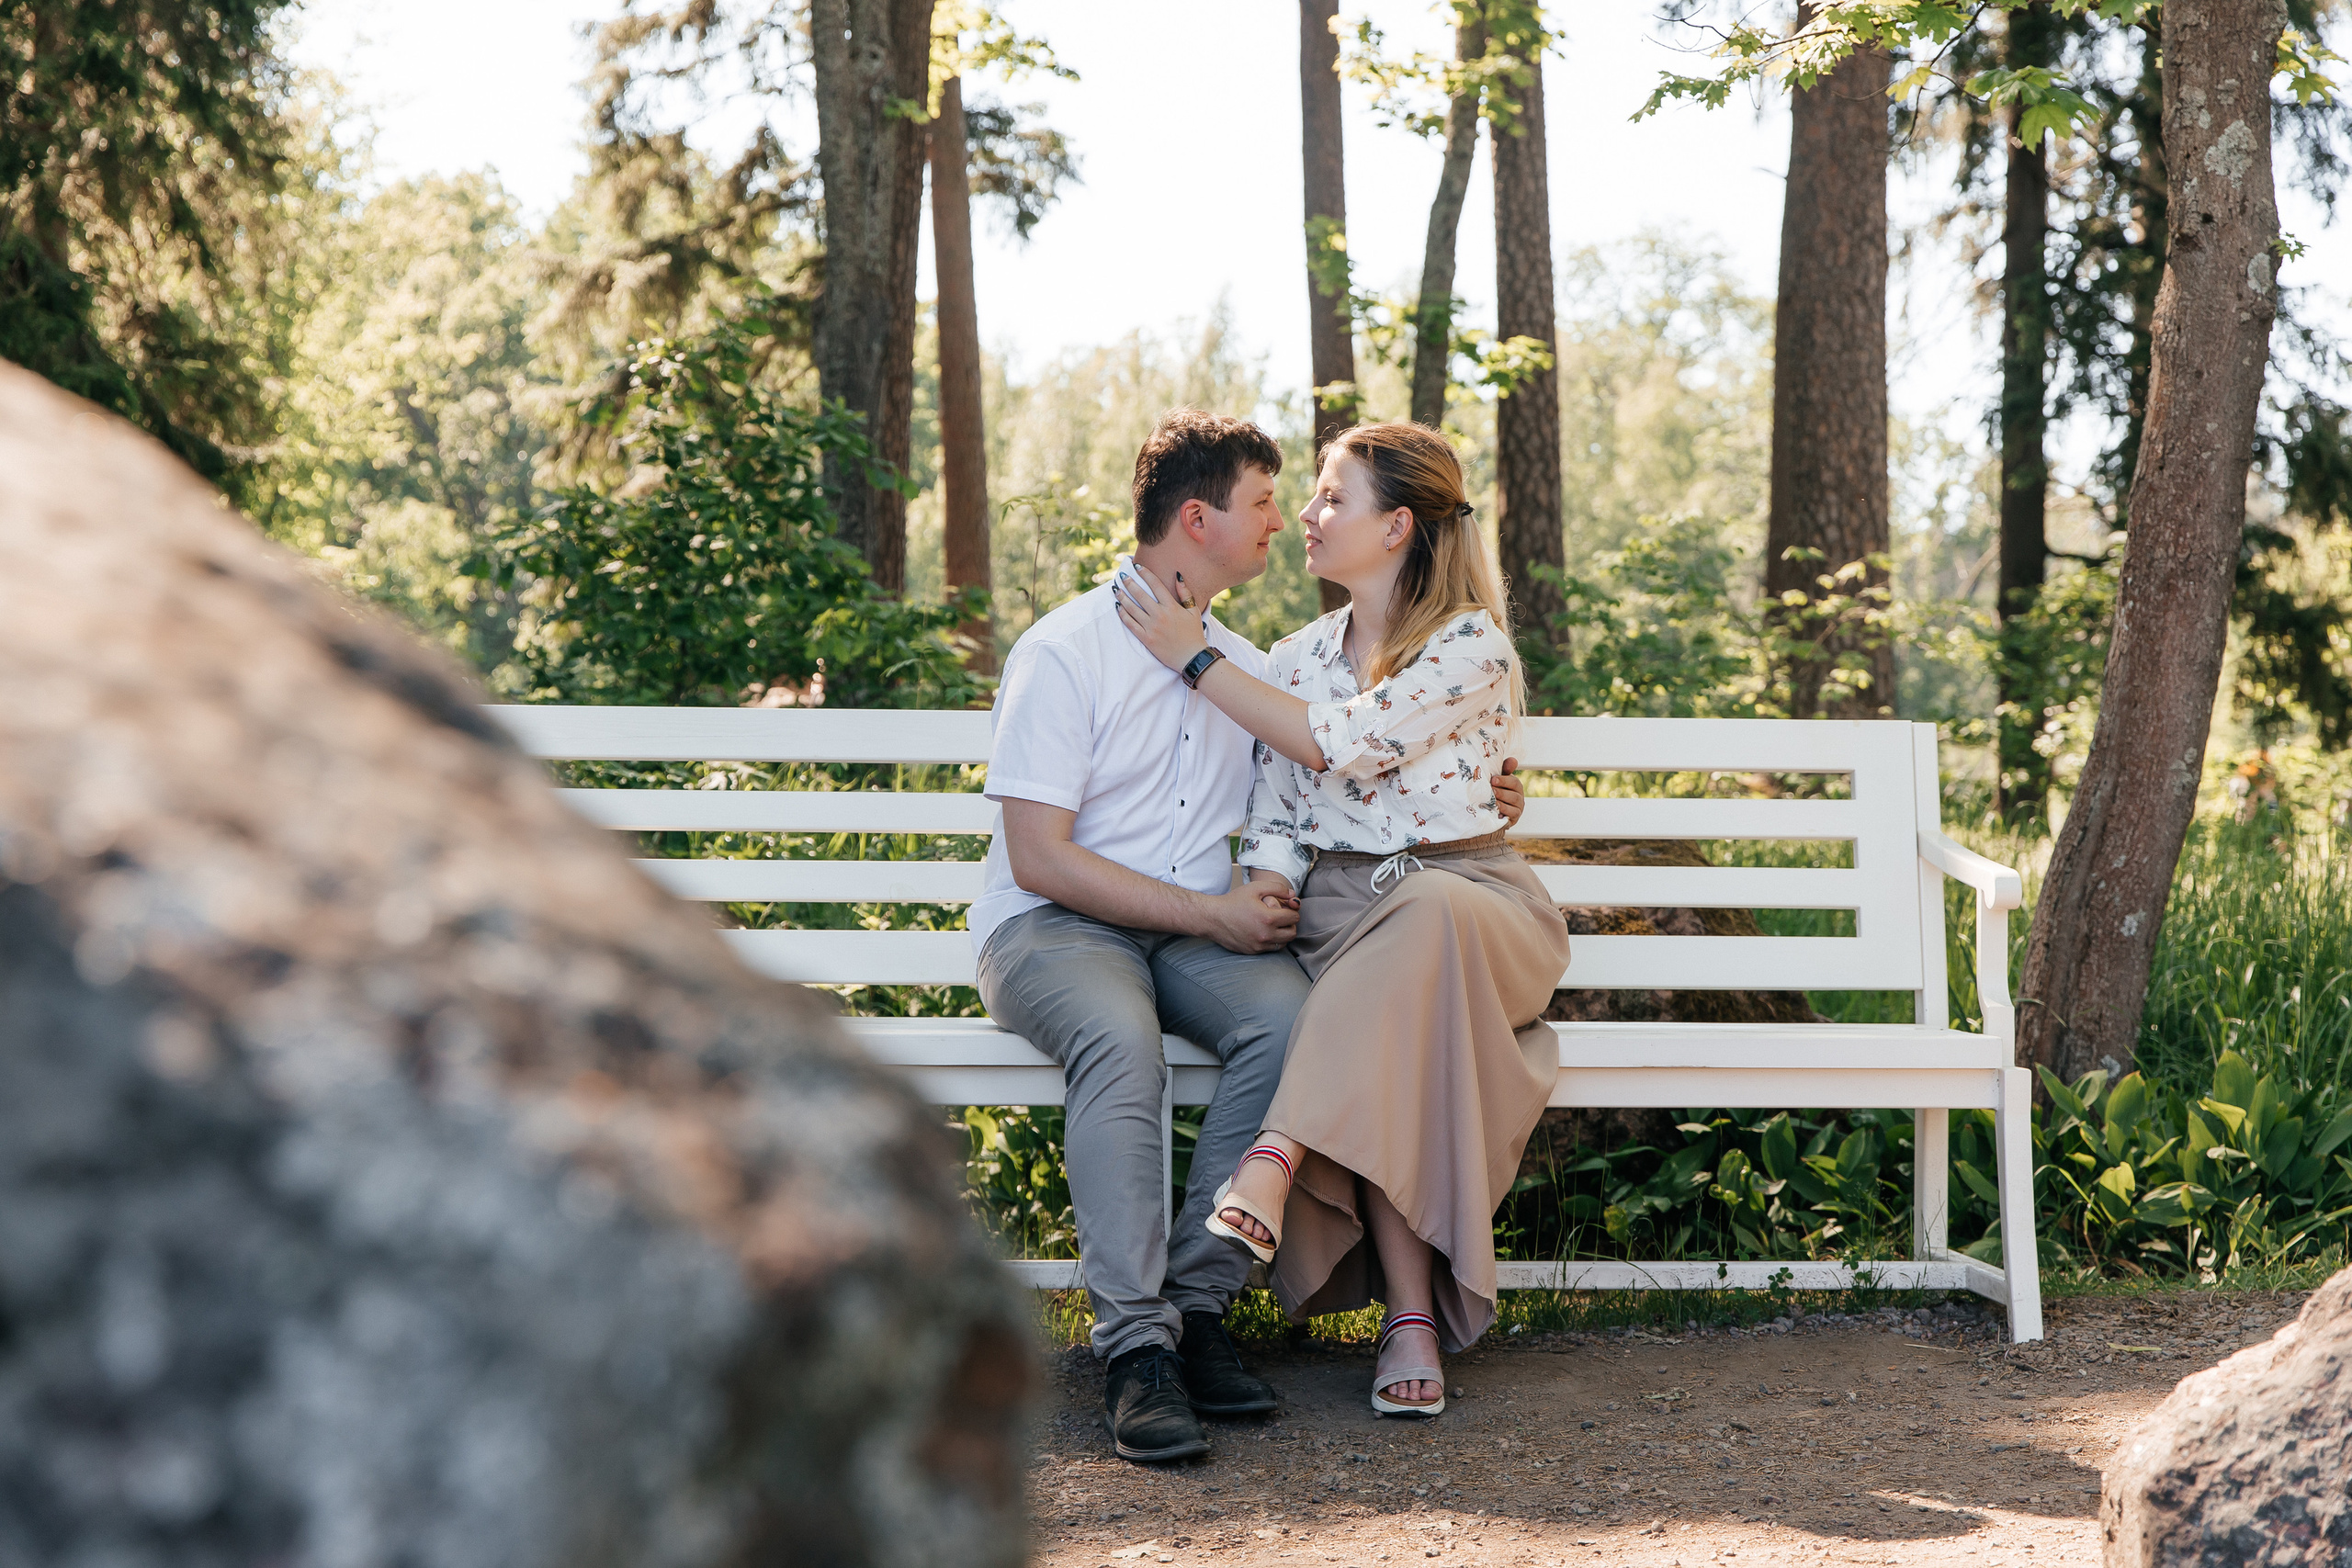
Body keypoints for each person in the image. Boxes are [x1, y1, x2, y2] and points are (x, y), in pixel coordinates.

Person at [975, 410, 1527, 1464]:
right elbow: (1039, 860)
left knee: (1286, 1025)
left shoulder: (1241, 664)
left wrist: (1487, 789)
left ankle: (1200, 1311)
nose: (1286, 523)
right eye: (1268, 502)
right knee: (1120, 1046)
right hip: (1056, 928)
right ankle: (1137, 1350)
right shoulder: (1065, 650)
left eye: (1310, 499)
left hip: (1205, 933)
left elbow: (1318, 779)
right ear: (1198, 518)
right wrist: (1223, 910)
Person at [1113, 420, 1571, 1419]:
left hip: (1474, 903)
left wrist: (1194, 661)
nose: (1307, 517)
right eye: (1310, 498)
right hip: (1345, 919)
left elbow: (1340, 746)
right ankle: (1409, 1319)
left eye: (1330, 498)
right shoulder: (1295, 654)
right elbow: (1278, 805)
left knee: (1426, 912)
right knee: (1389, 1037)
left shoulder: (1468, 645)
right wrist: (1270, 879)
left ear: (1398, 527)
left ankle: (1273, 1158)